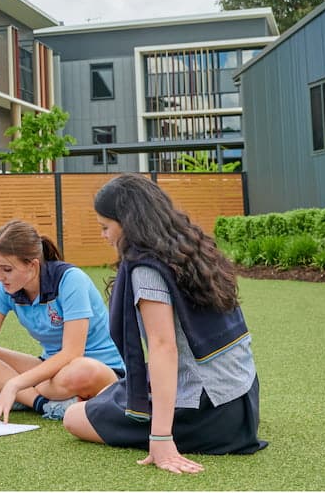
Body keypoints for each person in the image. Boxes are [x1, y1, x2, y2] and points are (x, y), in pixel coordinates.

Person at [63, 173, 267, 474]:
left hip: (211, 415)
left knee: (73, 417)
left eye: (106, 227)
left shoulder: (146, 268)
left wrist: (160, 438)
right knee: (112, 393)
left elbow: (163, 347)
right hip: (243, 400)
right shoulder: (192, 249)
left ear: (128, 223)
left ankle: (54, 405)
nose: (104, 236)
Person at [0, 219, 124, 426]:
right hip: (49, 371)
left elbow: (72, 353)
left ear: (32, 266)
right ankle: (43, 404)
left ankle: (14, 394)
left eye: (6, 269)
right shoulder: (2, 289)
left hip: (100, 370)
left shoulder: (71, 280)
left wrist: (13, 384)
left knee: (82, 369)